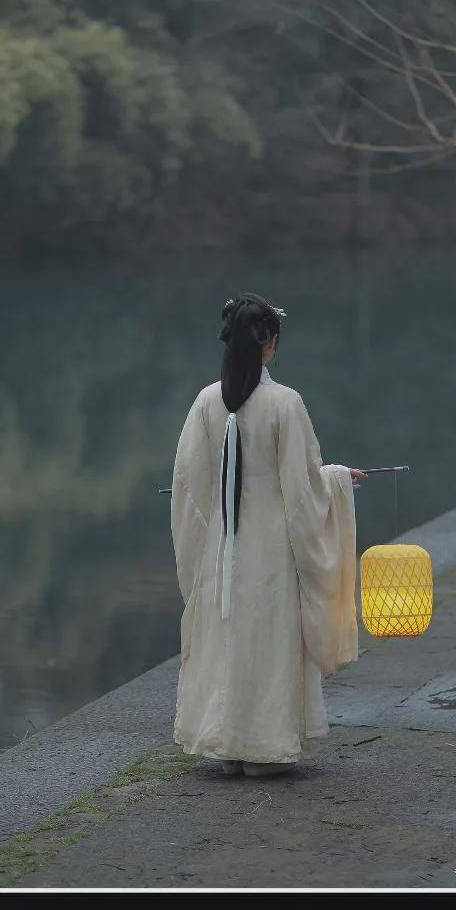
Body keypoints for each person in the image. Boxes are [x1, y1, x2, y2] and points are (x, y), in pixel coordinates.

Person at [170, 291, 364, 769]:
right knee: (268, 638)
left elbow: (189, 484)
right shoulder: (283, 403)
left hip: (223, 541)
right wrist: (338, 480)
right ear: (270, 343)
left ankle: (224, 742)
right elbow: (301, 489)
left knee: (227, 631)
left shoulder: (206, 401)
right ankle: (262, 745)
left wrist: (204, 540)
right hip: (270, 543)